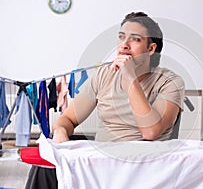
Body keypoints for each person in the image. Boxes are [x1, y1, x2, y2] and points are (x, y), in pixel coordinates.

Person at [25, 11, 185, 189]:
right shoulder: (103, 74)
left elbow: (151, 133)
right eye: (121, 37)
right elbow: (68, 119)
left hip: (144, 168)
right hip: (101, 163)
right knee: (45, 167)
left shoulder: (170, 82)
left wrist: (130, 78)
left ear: (151, 49)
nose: (124, 45)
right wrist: (61, 131)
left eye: (135, 39)